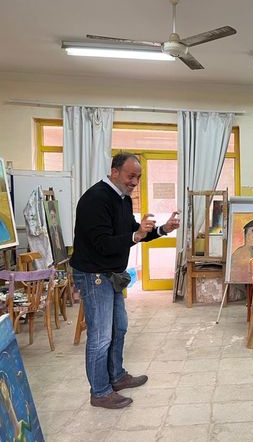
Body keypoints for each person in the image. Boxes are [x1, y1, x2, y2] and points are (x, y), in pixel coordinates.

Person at [70, 152, 180, 409]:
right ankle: (100, 392)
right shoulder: (95, 199)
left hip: (112, 274)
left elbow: (134, 232)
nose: (134, 182)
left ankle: (116, 376)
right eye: (131, 176)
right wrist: (135, 235)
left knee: (119, 328)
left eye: (138, 177)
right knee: (100, 337)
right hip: (94, 275)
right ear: (115, 172)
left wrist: (163, 229)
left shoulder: (123, 199)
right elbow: (103, 243)